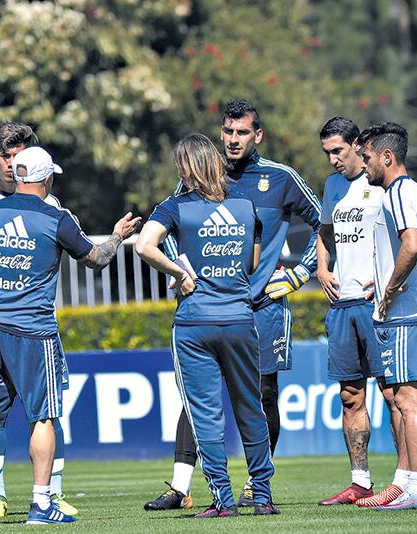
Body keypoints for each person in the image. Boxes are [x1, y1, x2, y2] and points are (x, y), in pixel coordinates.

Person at [145, 98, 321, 511]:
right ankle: (181, 487)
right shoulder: (203, 176)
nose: (234, 139)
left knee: (263, 395)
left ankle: (252, 488)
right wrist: (182, 270)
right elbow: (168, 230)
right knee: (198, 399)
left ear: (258, 135)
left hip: (263, 305)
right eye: (228, 131)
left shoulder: (280, 178)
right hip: (215, 304)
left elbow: (324, 221)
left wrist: (301, 273)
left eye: (243, 132)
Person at [0, 146, 140, 525]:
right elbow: (97, 259)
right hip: (33, 331)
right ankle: (41, 503)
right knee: (42, 418)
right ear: (46, 178)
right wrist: (117, 235)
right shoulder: (56, 218)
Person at [136, 132, 276, 517]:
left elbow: (144, 245)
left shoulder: (175, 207)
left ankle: (224, 501)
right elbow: (252, 264)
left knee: (206, 415)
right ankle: (262, 497)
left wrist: (179, 272)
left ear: (186, 168)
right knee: (251, 409)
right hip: (240, 318)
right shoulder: (246, 206)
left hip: (195, 323)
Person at [0, 121, 74, 518]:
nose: (12, 163)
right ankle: (3, 495)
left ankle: (46, 493)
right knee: (33, 414)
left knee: (7, 414)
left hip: (7, 323)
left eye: (19, 156)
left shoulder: (45, 204)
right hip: (15, 326)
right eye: (6, 156)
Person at [357, 122, 417, 510]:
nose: (364, 165)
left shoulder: (397, 193)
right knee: (411, 398)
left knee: (408, 400)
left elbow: (411, 245)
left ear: (386, 156)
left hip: (404, 316)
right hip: (416, 310)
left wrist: (392, 291)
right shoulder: (415, 191)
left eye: (367, 157)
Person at [314, 117, 400, 506]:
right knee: (350, 396)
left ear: (356, 145)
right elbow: (325, 231)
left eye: (338, 150)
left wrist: (389, 282)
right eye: (327, 153)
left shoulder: (381, 182)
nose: (333, 159)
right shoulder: (332, 186)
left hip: (375, 306)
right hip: (342, 305)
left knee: (394, 394)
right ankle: (360, 482)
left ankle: (407, 479)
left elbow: (415, 238)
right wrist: (322, 268)